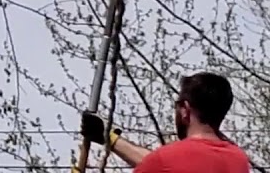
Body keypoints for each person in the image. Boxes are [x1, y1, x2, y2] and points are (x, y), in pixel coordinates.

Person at [80, 71, 250, 172]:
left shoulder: (166, 159)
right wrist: (111, 139)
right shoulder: (238, 160)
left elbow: (162, 164)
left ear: (185, 109)